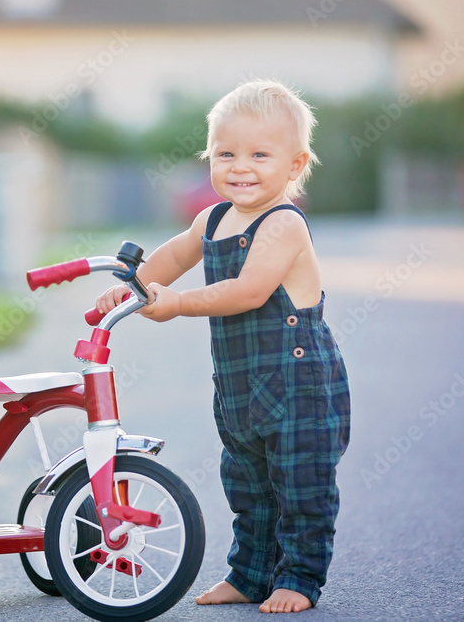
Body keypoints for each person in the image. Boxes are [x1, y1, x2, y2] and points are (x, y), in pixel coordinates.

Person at [95, 80, 350, 614]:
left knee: (300, 485)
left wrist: (177, 305)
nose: (240, 166)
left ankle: (300, 578)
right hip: (237, 383)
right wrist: (134, 285)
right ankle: (249, 574)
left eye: (260, 154)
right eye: (226, 153)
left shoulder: (282, 223)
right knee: (247, 485)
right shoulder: (211, 219)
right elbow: (172, 257)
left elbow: (249, 291)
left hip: (296, 380)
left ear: (295, 165)